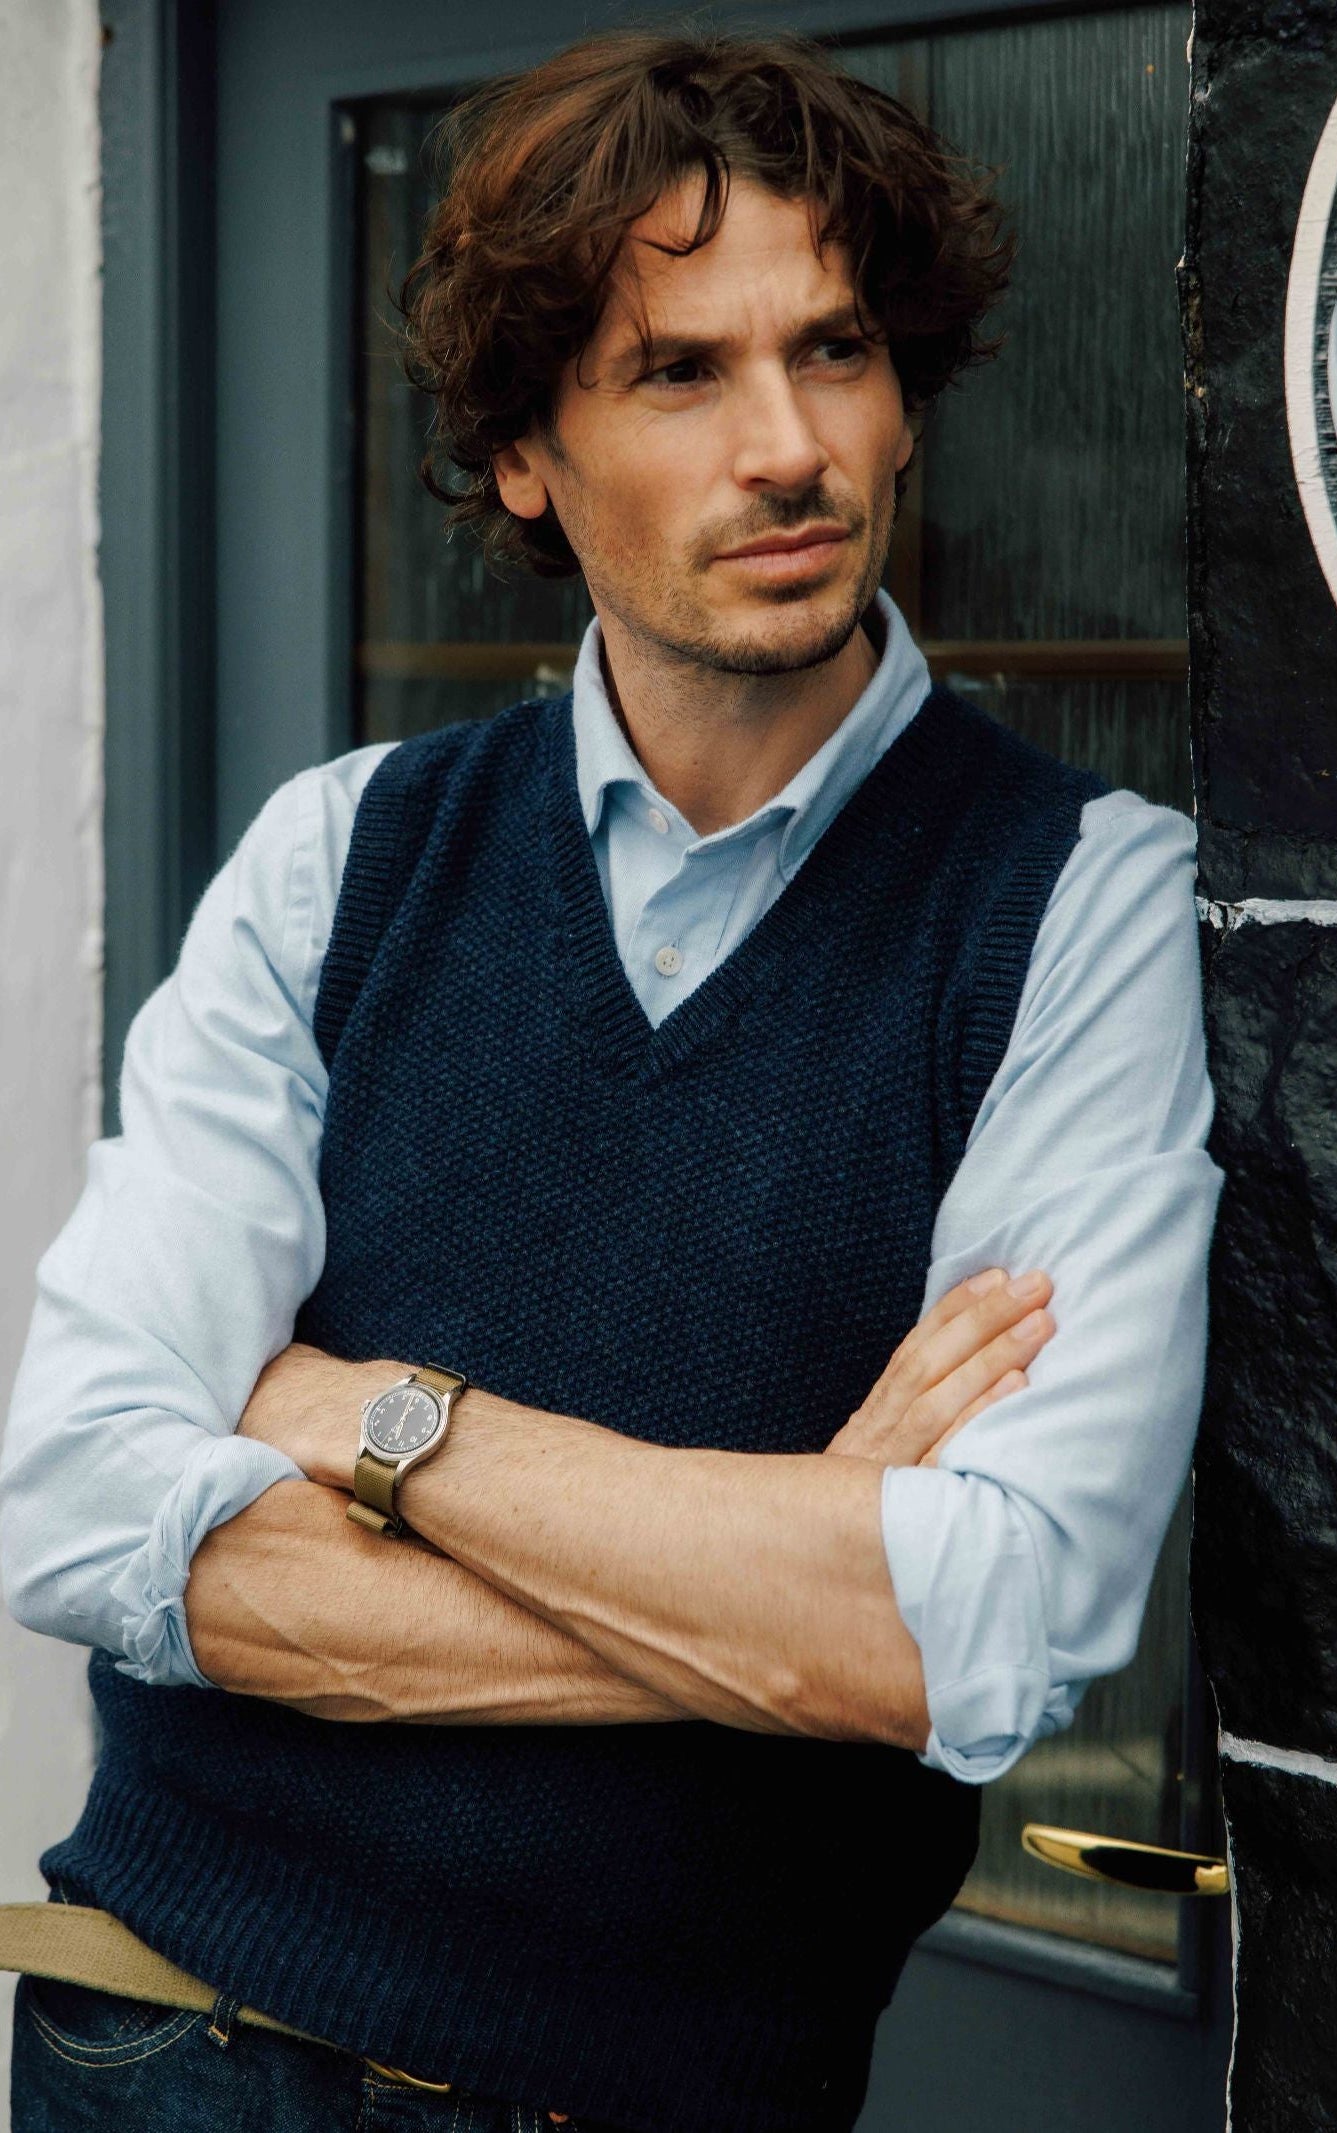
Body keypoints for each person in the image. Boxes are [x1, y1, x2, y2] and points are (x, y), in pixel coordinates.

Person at [0, 28, 1221, 2133]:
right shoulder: (340, 859)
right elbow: (82, 1505)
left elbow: (986, 1622)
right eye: (679, 372)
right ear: (522, 455)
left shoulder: (1079, 906)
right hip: (164, 2043)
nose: (790, 446)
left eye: (834, 350)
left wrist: (376, 1421)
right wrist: (789, 1589)